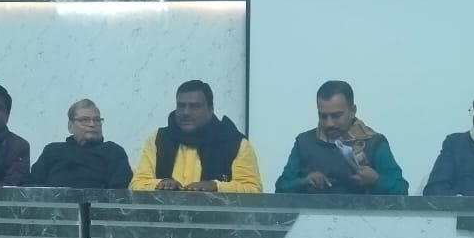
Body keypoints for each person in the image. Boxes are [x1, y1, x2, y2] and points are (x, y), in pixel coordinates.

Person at [275, 80, 408, 195]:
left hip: (361, 216)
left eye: (336, 116)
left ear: (353, 111)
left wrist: (376, 180)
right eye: (323, 116)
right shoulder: (304, 142)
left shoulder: (374, 143)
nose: (329, 123)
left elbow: (401, 189)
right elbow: (281, 188)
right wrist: (304, 181)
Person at [130, 80, 261, 192]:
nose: (186, 112)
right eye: (181, 106)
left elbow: (253, 190)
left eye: (194, 106)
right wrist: (160, 184)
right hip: (165, 215)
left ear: (211, 109)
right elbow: (136, 184)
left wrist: (216, 186)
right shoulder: (158, 139)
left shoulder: (235, 143)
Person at [28, 99, 132, 189]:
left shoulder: (113, 152)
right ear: (70, 126)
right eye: (84, 120)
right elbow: (31, 186)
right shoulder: (52, 150)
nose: (92, 124)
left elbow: (118, 193)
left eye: (97, 120)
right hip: (52, 205)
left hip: (95, 205)